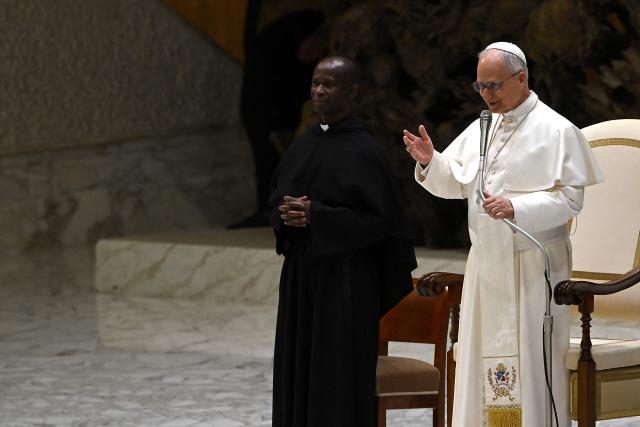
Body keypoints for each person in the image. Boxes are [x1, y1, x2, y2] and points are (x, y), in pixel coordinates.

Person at [403, 42, 603, 426]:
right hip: (487, 264)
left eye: (493, 85)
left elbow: (571, 201)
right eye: (480, 87)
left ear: (522, 78)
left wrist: (517, 208)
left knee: (529, 362)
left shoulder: (557, 130)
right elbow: (458, 183)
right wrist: (432, 161)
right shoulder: (483, 125)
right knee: (479, 360)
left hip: (532, 264)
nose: (487, 95)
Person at [270, 56, 417, 427]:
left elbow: (383, 223)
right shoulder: (303, 144)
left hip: (347, 284)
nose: (319, 90)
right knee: (297, 367)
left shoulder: (364, 151)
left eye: (329, 84)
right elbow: (276, 198)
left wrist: (318, 216)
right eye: (316, 83)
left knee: (335, 375)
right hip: (302, 277)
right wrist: (286, 215)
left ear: (352, 91)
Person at [228, 3, 326, 228]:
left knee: (293, 121)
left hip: (300, 26)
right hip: (270, 33)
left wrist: (321, 34)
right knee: (260, 120)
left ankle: (296, 207)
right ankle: (272, 205)